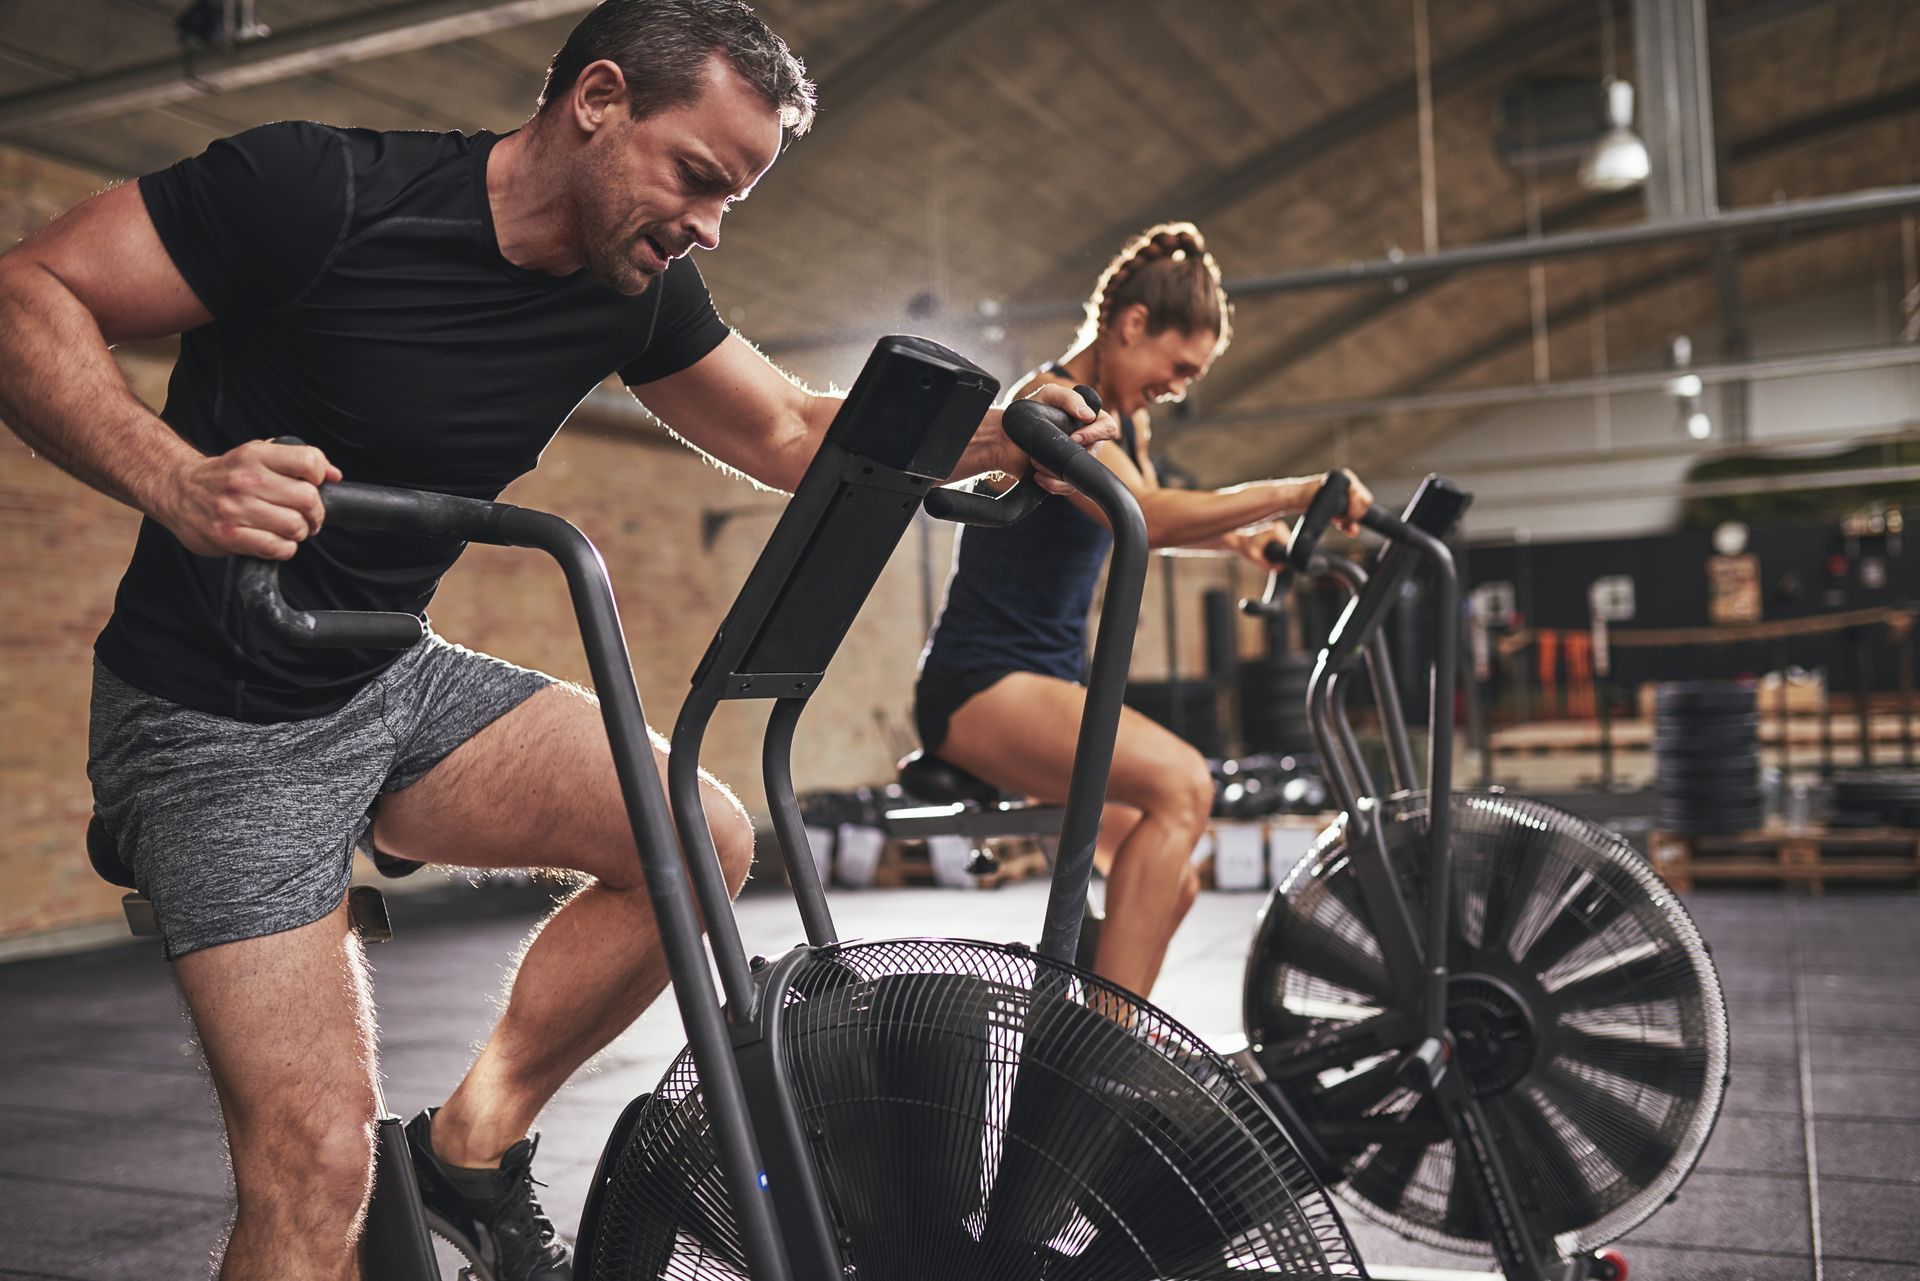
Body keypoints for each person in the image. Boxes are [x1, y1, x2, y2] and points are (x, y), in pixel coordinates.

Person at [0, 3, 1115, 1277]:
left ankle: (469, 1149)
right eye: (697, 176)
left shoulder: (630, 285)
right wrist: (177, 477)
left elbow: (794, 434)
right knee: (314, 1176)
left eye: (734, 200)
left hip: (384, 675)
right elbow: (28, 287)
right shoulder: (316, 190)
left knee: (702, 842)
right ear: (596, 101)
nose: (705, 225)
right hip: (212, 722)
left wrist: (999, 427)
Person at [915, 222, 1372, 1001]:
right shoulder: (1049, 403)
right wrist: (1297, 492)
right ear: (1131, 325)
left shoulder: (1126, 423)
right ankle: (1100, 1056)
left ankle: (1090, 1029)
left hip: (1042, 683)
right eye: (1178, 364)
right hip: (983, 683)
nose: (1180, 384)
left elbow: (1131, 523)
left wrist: (1240, 542)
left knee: (1174, 881)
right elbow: (1148, 514)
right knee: (1185, 787)